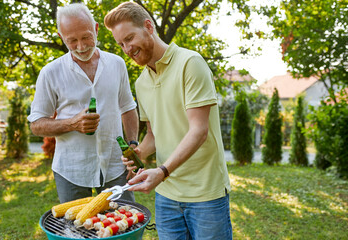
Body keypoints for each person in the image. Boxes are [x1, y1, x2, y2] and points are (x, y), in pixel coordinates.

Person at [104, 2, 232, 239]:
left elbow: (199, 130)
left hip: (205, 194)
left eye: (129, 38)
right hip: (167, 197)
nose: (127, 49)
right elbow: (154, 134)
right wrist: (140, 152)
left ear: (148, 26)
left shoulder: (190, 63)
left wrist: (162, 171)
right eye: (121, 44)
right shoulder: (142, 82)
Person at [27, 3, 139, 204]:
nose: (81, 46)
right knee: (76, 231)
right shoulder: (50, 73)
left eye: (86, 37)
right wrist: (72, 123)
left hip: (115, 167)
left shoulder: (117, 64)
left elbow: (128, 108)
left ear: (96, 29)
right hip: (71, 171)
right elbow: (36, 125)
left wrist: (132, 146)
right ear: (62, 38)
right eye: (72, 40)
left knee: (125, 228)